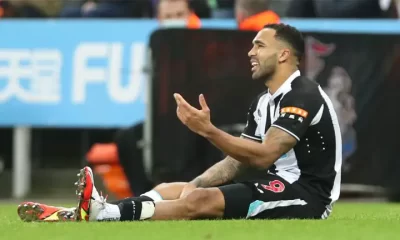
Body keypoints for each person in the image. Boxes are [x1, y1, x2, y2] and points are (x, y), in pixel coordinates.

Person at [18, 23, 342, 222]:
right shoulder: (264, 101)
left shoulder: (303, 95)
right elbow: (237, 162)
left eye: (259, 45)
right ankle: (106, 209)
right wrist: (198, 182)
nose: (250, 52)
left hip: (308, 195)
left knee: (200, 202)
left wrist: (208, 131)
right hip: (279, 183)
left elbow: (263, 156)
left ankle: (105, 215)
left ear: (284, 55)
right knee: (174, 189)